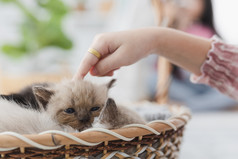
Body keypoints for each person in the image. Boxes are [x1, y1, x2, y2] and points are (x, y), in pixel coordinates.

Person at [73, 27, 238, 100]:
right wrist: (154, 42)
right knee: (153, 81)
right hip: (180, 83)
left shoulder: (201, 29)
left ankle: (197, 105)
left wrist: (155, 41)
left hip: (200, 86)